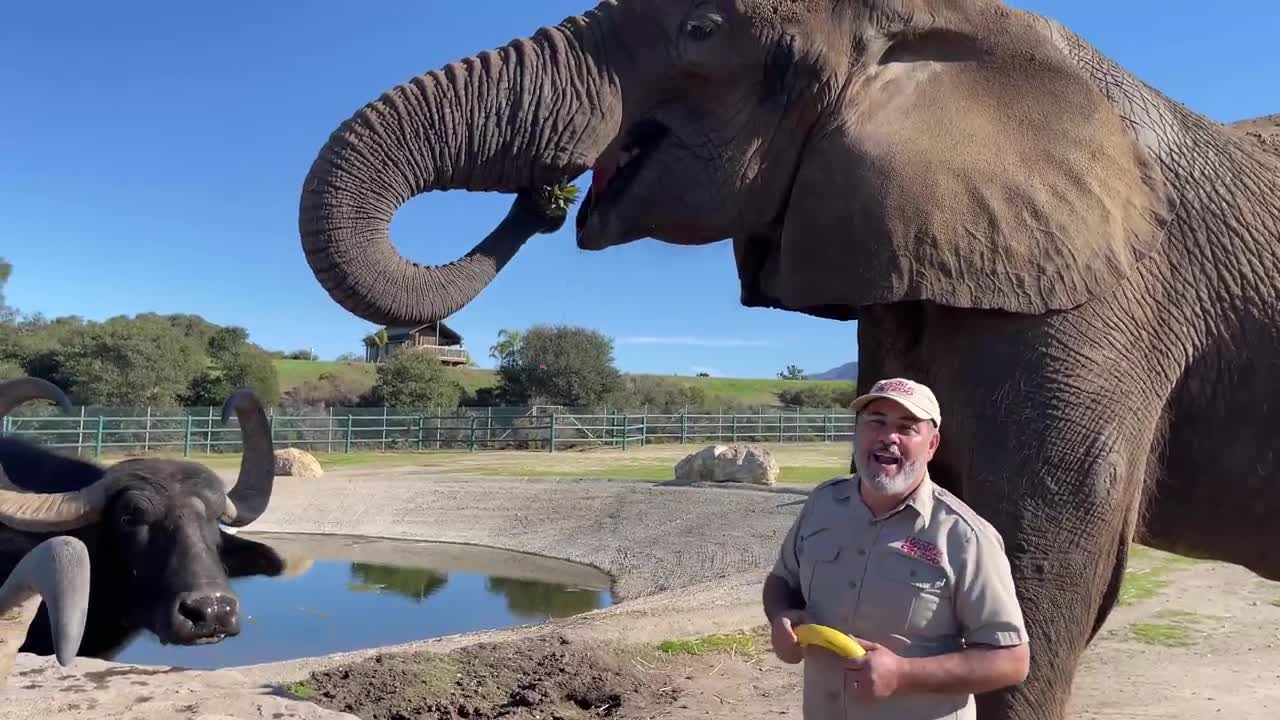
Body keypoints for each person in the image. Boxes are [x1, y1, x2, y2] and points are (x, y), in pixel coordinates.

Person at [762, 377, 1030, 719]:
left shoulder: (964, 536)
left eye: (907, 427)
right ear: (858, 433)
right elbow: (781, 581)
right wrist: (781, 616)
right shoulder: (823, 504)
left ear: (932, 445)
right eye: (876, 422)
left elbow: (1010, 660)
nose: (888, 436)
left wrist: (904, 674)